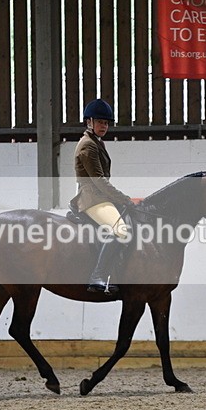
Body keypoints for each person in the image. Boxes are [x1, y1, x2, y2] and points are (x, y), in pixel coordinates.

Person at [72, 98, 132, 294]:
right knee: (121, 230)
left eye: (106, 123)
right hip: (92, 198)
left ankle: (115, 277)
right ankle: (97, 275)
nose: (104, 126)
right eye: (100, 122)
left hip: (100, 197)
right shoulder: (87, 145)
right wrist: (124, 198)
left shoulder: (97, 143)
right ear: (89, 122)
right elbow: (99, 181)